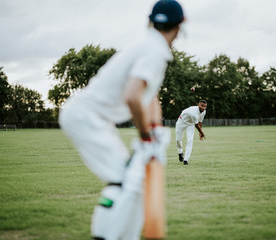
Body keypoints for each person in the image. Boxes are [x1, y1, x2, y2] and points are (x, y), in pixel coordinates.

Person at [58, 1, 185, 239]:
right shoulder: (155, 51)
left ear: (150, 21)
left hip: (88, 115)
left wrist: (155, 127)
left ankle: (106, 234)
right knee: (124, 182)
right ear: (180, 27)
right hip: (86, 117)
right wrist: (146, 135)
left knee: (121, 181)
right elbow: (132, 96)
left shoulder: (146, 45)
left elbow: (149, 96)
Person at [175, 100, 207, 165]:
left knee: (190, 140)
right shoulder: (194, 113)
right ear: (198, 105)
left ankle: (186, 160)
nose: (203, 108)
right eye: (202, 106)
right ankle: (180, 152)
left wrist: (200, 133)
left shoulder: (204, 112)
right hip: (182, 121)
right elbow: (196, 125)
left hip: (190, 124)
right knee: (178, 140)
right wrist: (202, 133)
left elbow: (200, 122)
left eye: (205, 106)